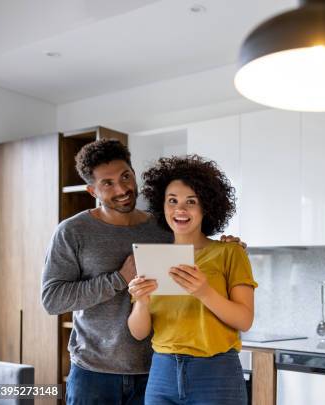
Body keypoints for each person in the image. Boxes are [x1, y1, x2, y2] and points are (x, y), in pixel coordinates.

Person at [41, 139, 245, 405]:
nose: (122, 188)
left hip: (156, 371)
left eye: (126, 176)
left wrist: (230, 244)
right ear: (92, 190)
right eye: (108, 183)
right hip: (95, 372)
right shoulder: (72, 232)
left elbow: (200, 249)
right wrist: (119, 279)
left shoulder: (162, 226)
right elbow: (52, 299)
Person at [127, 155, 257, 405]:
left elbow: (244, 320)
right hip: (162, 372)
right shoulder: (153, 258)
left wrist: (204, 291)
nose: (180, 210)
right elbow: (139, 332)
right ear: (162, 206)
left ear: (205, 207)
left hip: (216, 373)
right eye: (172, 201)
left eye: (191, 202)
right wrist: (141, 302)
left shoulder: (229, 252)